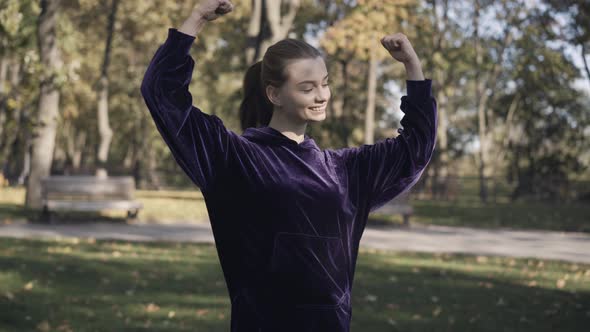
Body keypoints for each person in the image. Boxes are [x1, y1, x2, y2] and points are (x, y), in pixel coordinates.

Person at [140, 0, 437, 330]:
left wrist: (412, 66)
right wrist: (194, 20)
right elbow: (162, 93)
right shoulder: (234, 158)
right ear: (275, 94)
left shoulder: (346, 171)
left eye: (324, 83)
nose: (321, 95)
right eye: (307, 88)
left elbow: (415, 149)